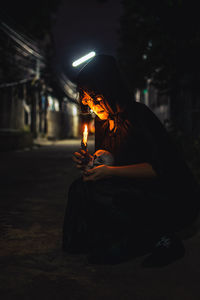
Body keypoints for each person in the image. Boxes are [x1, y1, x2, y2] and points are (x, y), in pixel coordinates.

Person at [63, 54, 199, 266]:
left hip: (165, 194)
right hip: (132, 190)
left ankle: (158, 239)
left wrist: (109, 172)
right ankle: (109, 238)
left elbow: (160, 169)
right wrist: (92, 163)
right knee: (80, 188)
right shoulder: (103, 124)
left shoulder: (138, 116)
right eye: (85, 98)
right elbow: (109, 161)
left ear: (109, 90)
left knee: (104, 192)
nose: (89, 104)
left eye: (93, 96)